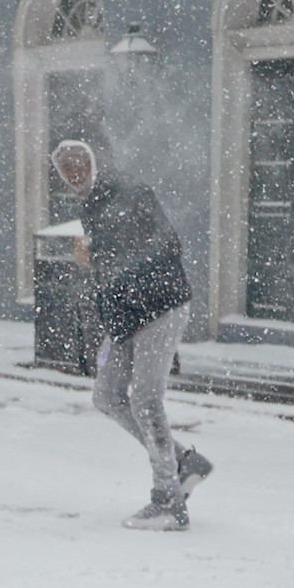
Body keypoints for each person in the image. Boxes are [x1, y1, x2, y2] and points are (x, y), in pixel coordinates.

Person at [65, 139, 211, 530]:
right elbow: (110, 273)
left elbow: (160, 245)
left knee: (146, 400)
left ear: (97, 162)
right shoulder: (90, 208)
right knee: (107, 395)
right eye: (65, 168)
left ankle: (168, 501)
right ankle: (183, 462)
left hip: (160, 307)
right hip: (128, 315)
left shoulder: (128, 193)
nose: (74, 173)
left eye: (79, 163)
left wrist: (99, 254)